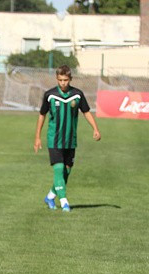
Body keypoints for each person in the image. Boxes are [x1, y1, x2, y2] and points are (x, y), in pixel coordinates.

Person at [33, 65, 101, 212]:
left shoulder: (77, 95)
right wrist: (37, 137)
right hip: (54, 139)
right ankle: (64, 202)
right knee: (58, 169)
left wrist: (95, 128)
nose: (63, 83)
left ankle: (50, 196)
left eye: (65, 80)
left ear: (70, 79)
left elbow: (86, 112)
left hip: (70, 140)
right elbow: (42, 115)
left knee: (66, 172)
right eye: (60, 80)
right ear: (57, 79)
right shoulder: (49, 95)